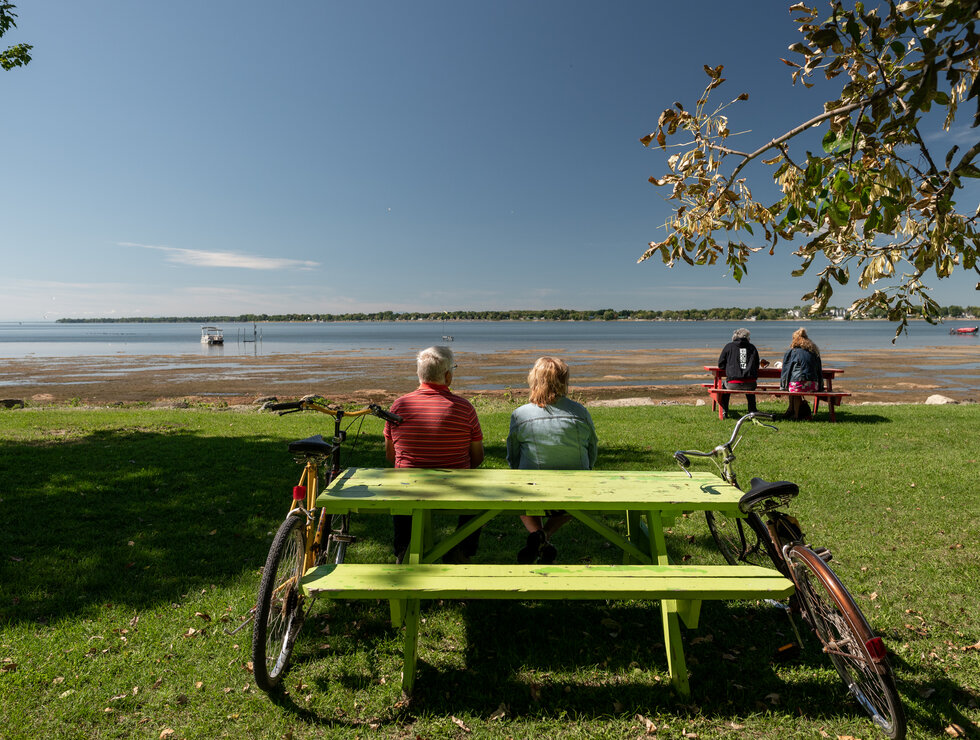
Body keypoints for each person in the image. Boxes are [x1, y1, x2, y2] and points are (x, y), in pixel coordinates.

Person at [384, 346, 484, 563]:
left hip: (408, 486)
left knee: (402, 484)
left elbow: (391, 456)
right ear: (448, 376)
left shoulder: (399, 406)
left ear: (420, 375)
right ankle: (461, 550)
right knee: (481, 500)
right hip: (455, 488)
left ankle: (404, 550)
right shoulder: (464, 408)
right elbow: (477, 458)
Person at [506, 357, 598, 564]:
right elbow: (592, 449)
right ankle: (544, 536)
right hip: (576, 489)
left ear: (533, 379)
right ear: (564, 381)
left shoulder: (520, 415)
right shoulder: (580, 412)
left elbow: (513, 456)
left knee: (520, 497)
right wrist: (587, 469)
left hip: (533, 488)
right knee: (575, 505)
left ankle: (539, 535)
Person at [716, 328, 761, 419]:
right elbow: (757, 365)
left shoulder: (729, 346)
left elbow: (721, 364)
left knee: (724, 388)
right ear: (747, 338)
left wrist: (730, 368)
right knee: (750, 390)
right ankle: (752, 410)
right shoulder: (752, 347)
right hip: (750, 383)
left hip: (733, 383)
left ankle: (724, 411)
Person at [780, 327, 824, 420]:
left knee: (793, 389)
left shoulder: (792, 351)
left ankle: (796, 415)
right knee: (794, 388)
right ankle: (791, 410)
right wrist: (821, 386)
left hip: (798, 384)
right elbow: (819, 370)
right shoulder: (814, 351)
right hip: (813, 385)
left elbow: (786, 370)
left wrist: (783, 386)